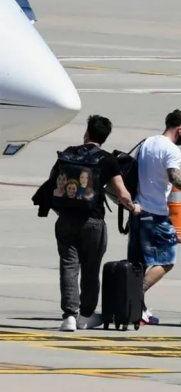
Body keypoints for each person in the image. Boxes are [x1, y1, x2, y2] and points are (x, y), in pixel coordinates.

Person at [41, 115, 141, 332]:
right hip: (93, 221)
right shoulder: (107, 160)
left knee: (68, 266)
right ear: (105, 137)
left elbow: (52, 183)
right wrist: (134, 208)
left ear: (86, 132)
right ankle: (85, 315)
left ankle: (69, 315)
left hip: (66, 219)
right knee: (90, 268)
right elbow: (123, 194)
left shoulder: (67, 153)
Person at [129, 109, 181, 325]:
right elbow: (175, 178)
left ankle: (137, 308)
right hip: (156, 214)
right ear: (180, 129)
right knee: (167, 260)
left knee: (138, 263)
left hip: (137, 210)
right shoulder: (172, 150)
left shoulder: (147, 142)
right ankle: (135, 298)